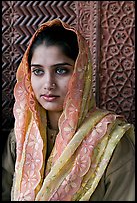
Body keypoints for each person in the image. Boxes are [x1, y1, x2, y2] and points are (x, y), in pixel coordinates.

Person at [2, 18, 135, 201]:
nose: (48, 84)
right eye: (38, 71)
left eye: (61, 71)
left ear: (82, 73)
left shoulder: (112, 141)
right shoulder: (20, 138)